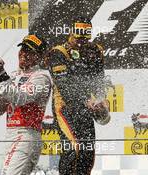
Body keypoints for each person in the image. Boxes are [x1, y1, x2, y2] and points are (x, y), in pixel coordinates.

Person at [0, 34, 51, 175]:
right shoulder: (13, 76)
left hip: (27, 134)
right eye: (23, 49)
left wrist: (0, 71)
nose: (24, 53)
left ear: (39, 56)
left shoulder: (41, 77)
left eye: (30, 51)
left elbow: (19, 98)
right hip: (11, 135)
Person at [45, 17, 110, 175]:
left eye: (85, 38)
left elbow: (99, 80)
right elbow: (64, 86)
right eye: (78, 38)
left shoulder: (95, 51)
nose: (81, 42)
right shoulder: (59, 52)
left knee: (87, 152)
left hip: (86, 109)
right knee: (73, 148)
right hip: (65, 109)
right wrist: (85, 100)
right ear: (71, 33)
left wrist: (102, 100)